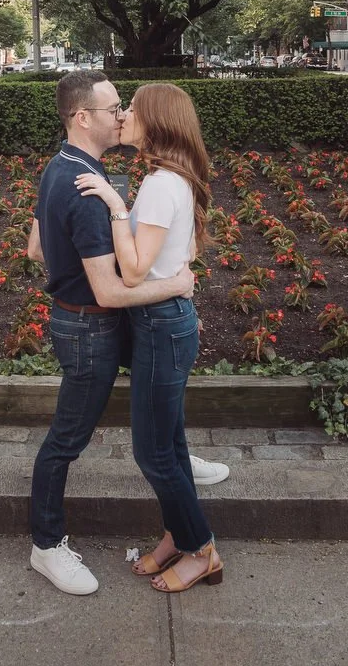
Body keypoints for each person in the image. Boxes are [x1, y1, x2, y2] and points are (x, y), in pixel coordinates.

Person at [23, 71, 223, 597]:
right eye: (114, 107)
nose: (121, 115)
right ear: (83, 117)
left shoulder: (63, 166)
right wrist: (177, 285)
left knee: (158, 429)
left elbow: (36, 250)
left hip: (86, 320)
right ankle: (47, 545)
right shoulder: (90, 189)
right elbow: (113, 292)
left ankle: (174, 459)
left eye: (126, 107)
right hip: (91, 328)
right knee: (67, 440)